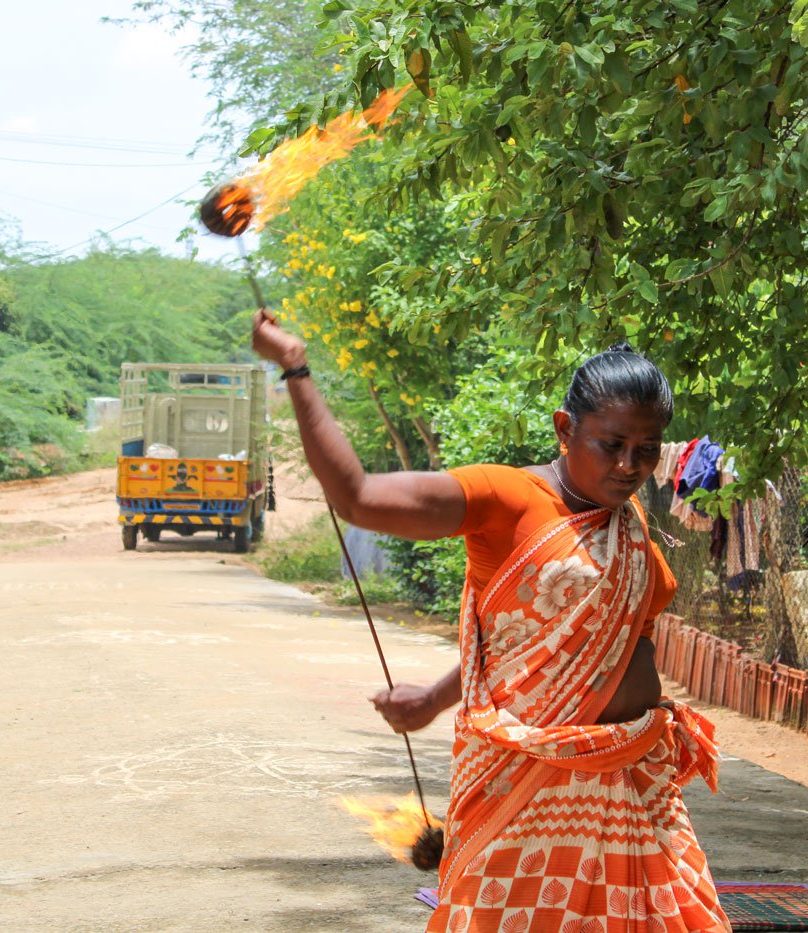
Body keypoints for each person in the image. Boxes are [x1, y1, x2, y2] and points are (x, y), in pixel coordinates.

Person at [253, 308, 728, 933]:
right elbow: (358, 497)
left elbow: (570, 644)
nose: (629, 466)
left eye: (645, 450)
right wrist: (297, 367)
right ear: (565, 429)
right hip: (522, 783)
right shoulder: (507, 498)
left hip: (635, 782)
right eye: (610, 445)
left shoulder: (631, 525)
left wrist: (433, 695)